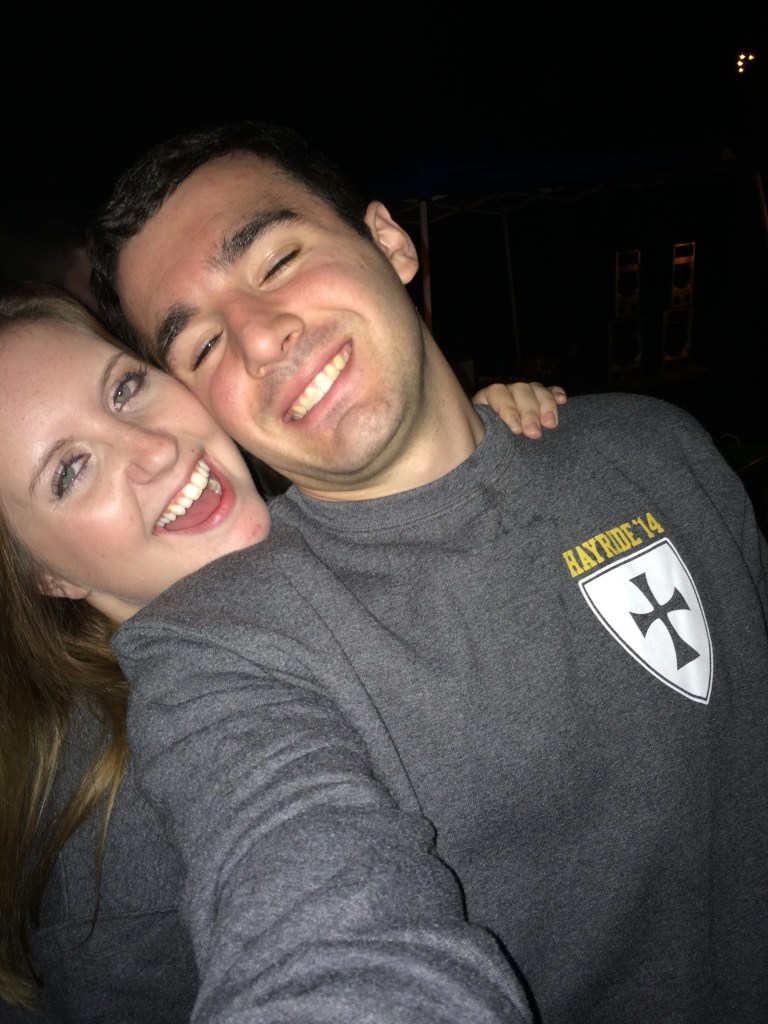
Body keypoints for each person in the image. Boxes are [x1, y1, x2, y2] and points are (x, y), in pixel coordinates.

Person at [86, 119, 768, 1024]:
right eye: (201, 346)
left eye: (277, 261)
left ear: (389, 241)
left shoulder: (656, 446)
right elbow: (307, 910)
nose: (258, 339)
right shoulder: (224, 647)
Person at [0, 282, 556, 1022]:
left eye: (125, 389)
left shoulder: (295, 559)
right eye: (70, 471)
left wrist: (467, 449)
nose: (154, 450)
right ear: (48, 576)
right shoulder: (127, 846)